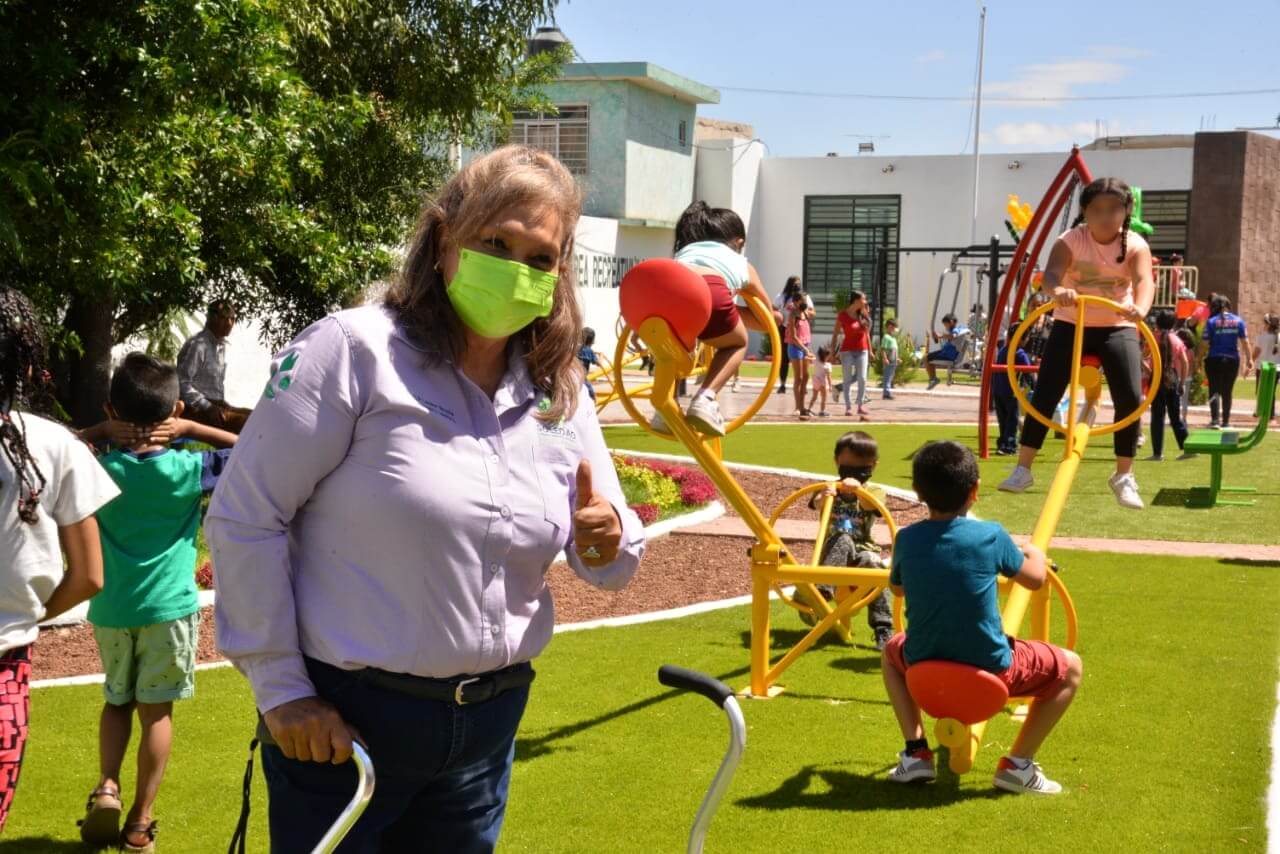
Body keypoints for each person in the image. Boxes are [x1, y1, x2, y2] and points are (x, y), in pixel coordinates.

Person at [207, 146, 645, 853]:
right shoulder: (351, 352)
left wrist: (605, 538)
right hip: (346, 730)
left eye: (540, 259)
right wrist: (282, 691)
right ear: (444, 238)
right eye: (496, 243)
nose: (516, 269)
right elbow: (246, 514)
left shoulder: (556, 386)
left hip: (488, 728)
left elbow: (611, 549)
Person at [74, 353, 238, 851]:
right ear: (175, 408)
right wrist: (191, 426)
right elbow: (256, 447)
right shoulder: (189, 469)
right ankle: (141, 824)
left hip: (111, 608)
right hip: (168, 611)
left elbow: (51, 450)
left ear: (111, 407)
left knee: (116, 700)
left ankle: (107, 786)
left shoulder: (97, 468)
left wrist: (101, 429)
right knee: (156, 713)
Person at [882, 440, 1082, 794]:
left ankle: (915, 753)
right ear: (974, 491)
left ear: (917, 491)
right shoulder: (990, 535)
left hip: (922, 667)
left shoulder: (907, 539)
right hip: (991, 670)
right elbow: (1034, 579)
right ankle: (1017, 765)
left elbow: (896, 589)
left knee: (889, 652)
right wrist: (1034, 552)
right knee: (1071, 668)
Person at [0, 287, 120, 832]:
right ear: (28, 360)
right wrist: (27, 613)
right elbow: (90, 574)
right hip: (6, 663)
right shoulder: (53, 444)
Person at [998, 177, 1155, 509]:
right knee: (1046, 392)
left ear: (1127, 211)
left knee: (1130, 394)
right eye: (1097, 209)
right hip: (1072, 324)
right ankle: (1023, 468)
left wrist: (1139, 309)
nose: (1106, 216)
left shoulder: (1135, 245)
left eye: (1114, 209)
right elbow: (1051, 276)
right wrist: (1059, 292)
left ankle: (1124, 475)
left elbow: (1144, 281)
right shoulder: (1071, 240)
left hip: (1116, 325)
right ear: (1085, 211)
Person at [654, 201, 780, 436]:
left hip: (668, 293)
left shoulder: (684, 252)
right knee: (736, 342)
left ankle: (664, 406)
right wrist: (777, 317)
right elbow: (766, 316)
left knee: (672, 346)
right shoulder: (742, 263)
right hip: (712, 292)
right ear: (738, 242)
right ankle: (705, 398)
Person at [800, 431, 894, 649]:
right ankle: (821, 593)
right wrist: (825, 496)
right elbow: (816, 504)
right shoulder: (828, 487)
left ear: (873, 466)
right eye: (849, 467)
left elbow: (873, 507)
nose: (854, 473)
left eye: (862, 468)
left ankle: (883, 627)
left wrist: (858, 491)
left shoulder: (874, 491)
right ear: (837, 462)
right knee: (842, 537)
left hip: (862, 551)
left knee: (875, 565)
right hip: (832, 552)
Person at [175, 299, 252, 433]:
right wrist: (208, 407)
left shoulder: (221, 346)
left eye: (232, 319)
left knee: (255, 416)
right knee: (246, 424)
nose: (229, 323)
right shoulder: (199, 345)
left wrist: (221, 404)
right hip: (193, 407)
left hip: (214, 405)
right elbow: (182, 383)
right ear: (211, 317)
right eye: (224, 318)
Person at [1145, 310, 1193, 461]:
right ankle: (1188, 448)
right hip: (1172, 378)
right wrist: (1182, 382)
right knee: (1175, 417)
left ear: (1158, 323)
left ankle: (1157, 453)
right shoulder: (1176, 340)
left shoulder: (1153, 338)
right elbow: (1185, 362)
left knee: (1157, 417)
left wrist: (1150, 371)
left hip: (1157, 378)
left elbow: (1143, 356)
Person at [1200, 295, 1253, 429]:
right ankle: (1226, 422)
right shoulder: (1239, 321)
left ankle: (1215, 421)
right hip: (1232, 360)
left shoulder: (1211, 322)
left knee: (1214, 390)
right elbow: (1245, 341)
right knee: (1227, 391)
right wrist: (1250, 359)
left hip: (1214, 359)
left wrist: (1198, 358)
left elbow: (1204, 343)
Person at [830, 291, 872, 419]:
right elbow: (835, 334)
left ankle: (860, 405)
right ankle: (848, 407)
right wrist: (832, 351)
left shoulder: (863, 314)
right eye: (863, 299)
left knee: (862, 378)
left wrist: (870, 350)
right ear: (855, 301)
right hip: (847, 351)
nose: (865, 302)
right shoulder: (842, 315)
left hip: (862, 350)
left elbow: (867, 334)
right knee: (847, 379)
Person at [992, 336, 1031, 456]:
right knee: (1011, 420)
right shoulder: (1019, 353)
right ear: (1021, 338)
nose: (1027, 340)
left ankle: (1003, 443)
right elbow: (1028, 371)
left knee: (1003, 419)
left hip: (998, 390)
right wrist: (1031, 386)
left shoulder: (1004, 350)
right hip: (1011, 391)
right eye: (1026, 337)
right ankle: (1009, 445)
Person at [772, 276, 809, 394]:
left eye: (798, 285)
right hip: (784, 329)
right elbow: (773, 309)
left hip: (801, 329)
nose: (796, 287)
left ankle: (802, 385)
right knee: (784, 358)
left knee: (803, 358)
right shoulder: (782, 297)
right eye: (794, 285)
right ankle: (782, 384)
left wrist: (804, 310)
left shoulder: (804, 297)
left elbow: (812, 312)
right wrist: (780, 317)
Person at [785, 289, 813, 418]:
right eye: (803, 301)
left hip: (805, 346)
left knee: (806, 377)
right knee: (799, 378)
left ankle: (803, 406)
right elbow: (794, 336)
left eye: (806, 300)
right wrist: (805, 349)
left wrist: (808, 349)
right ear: (796, 302)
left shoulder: (805, 313)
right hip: (795, 347)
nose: (805, 303)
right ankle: (797, 407)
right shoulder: (792, 315)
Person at [924, 313, 968, 390]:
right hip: (946, 352)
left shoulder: (958, 329)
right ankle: (933, 379)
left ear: (951, 322)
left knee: (926, 358)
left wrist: (941, 335)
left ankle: (933, 379)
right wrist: (938, 337)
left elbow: (953, 336)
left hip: (949, 355)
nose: (945, 327)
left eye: (946, 324)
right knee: (927, 358)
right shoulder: (957, 330)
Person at [1252, 313, 1279, 424]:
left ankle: (1265, 414)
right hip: (1276, 368)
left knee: (1261, 391)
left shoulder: (1262, 337)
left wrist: (1250, 363)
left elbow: (1256, 353)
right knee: (1271, 392)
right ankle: (1267, 414)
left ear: (1268, 324)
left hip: (1263, 368)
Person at [807, 347, 833, 417]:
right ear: (826, 356)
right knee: (824, 397)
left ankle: (809, 409)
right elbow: (829, 377)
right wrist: (830, 386)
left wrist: (807, 356)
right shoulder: (828, 366)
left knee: (814, 396)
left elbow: (809, 359)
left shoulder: (817, 361)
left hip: (815, 380)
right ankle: (822, 411)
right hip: (822, 382)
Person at [879, 318, 900, 400]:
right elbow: (883, 349)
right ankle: (886, 394)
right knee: (887, 377)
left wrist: (897, 358)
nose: (895, 330)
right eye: (894, 327)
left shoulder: (893, 338)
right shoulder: (886, 337)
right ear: (890, 327)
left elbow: (894, 349)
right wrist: (885, 358)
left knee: (890, 377)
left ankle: (887, 392)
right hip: (889, 361)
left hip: (893, 361)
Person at [578, 327, 600, 402]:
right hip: (582, 377)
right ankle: (594, 400)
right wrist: (601, 357)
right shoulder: (590, 351)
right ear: (592, 341)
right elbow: (598, 363)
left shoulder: (576, 348)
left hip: (573, 375)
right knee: (590, 391)